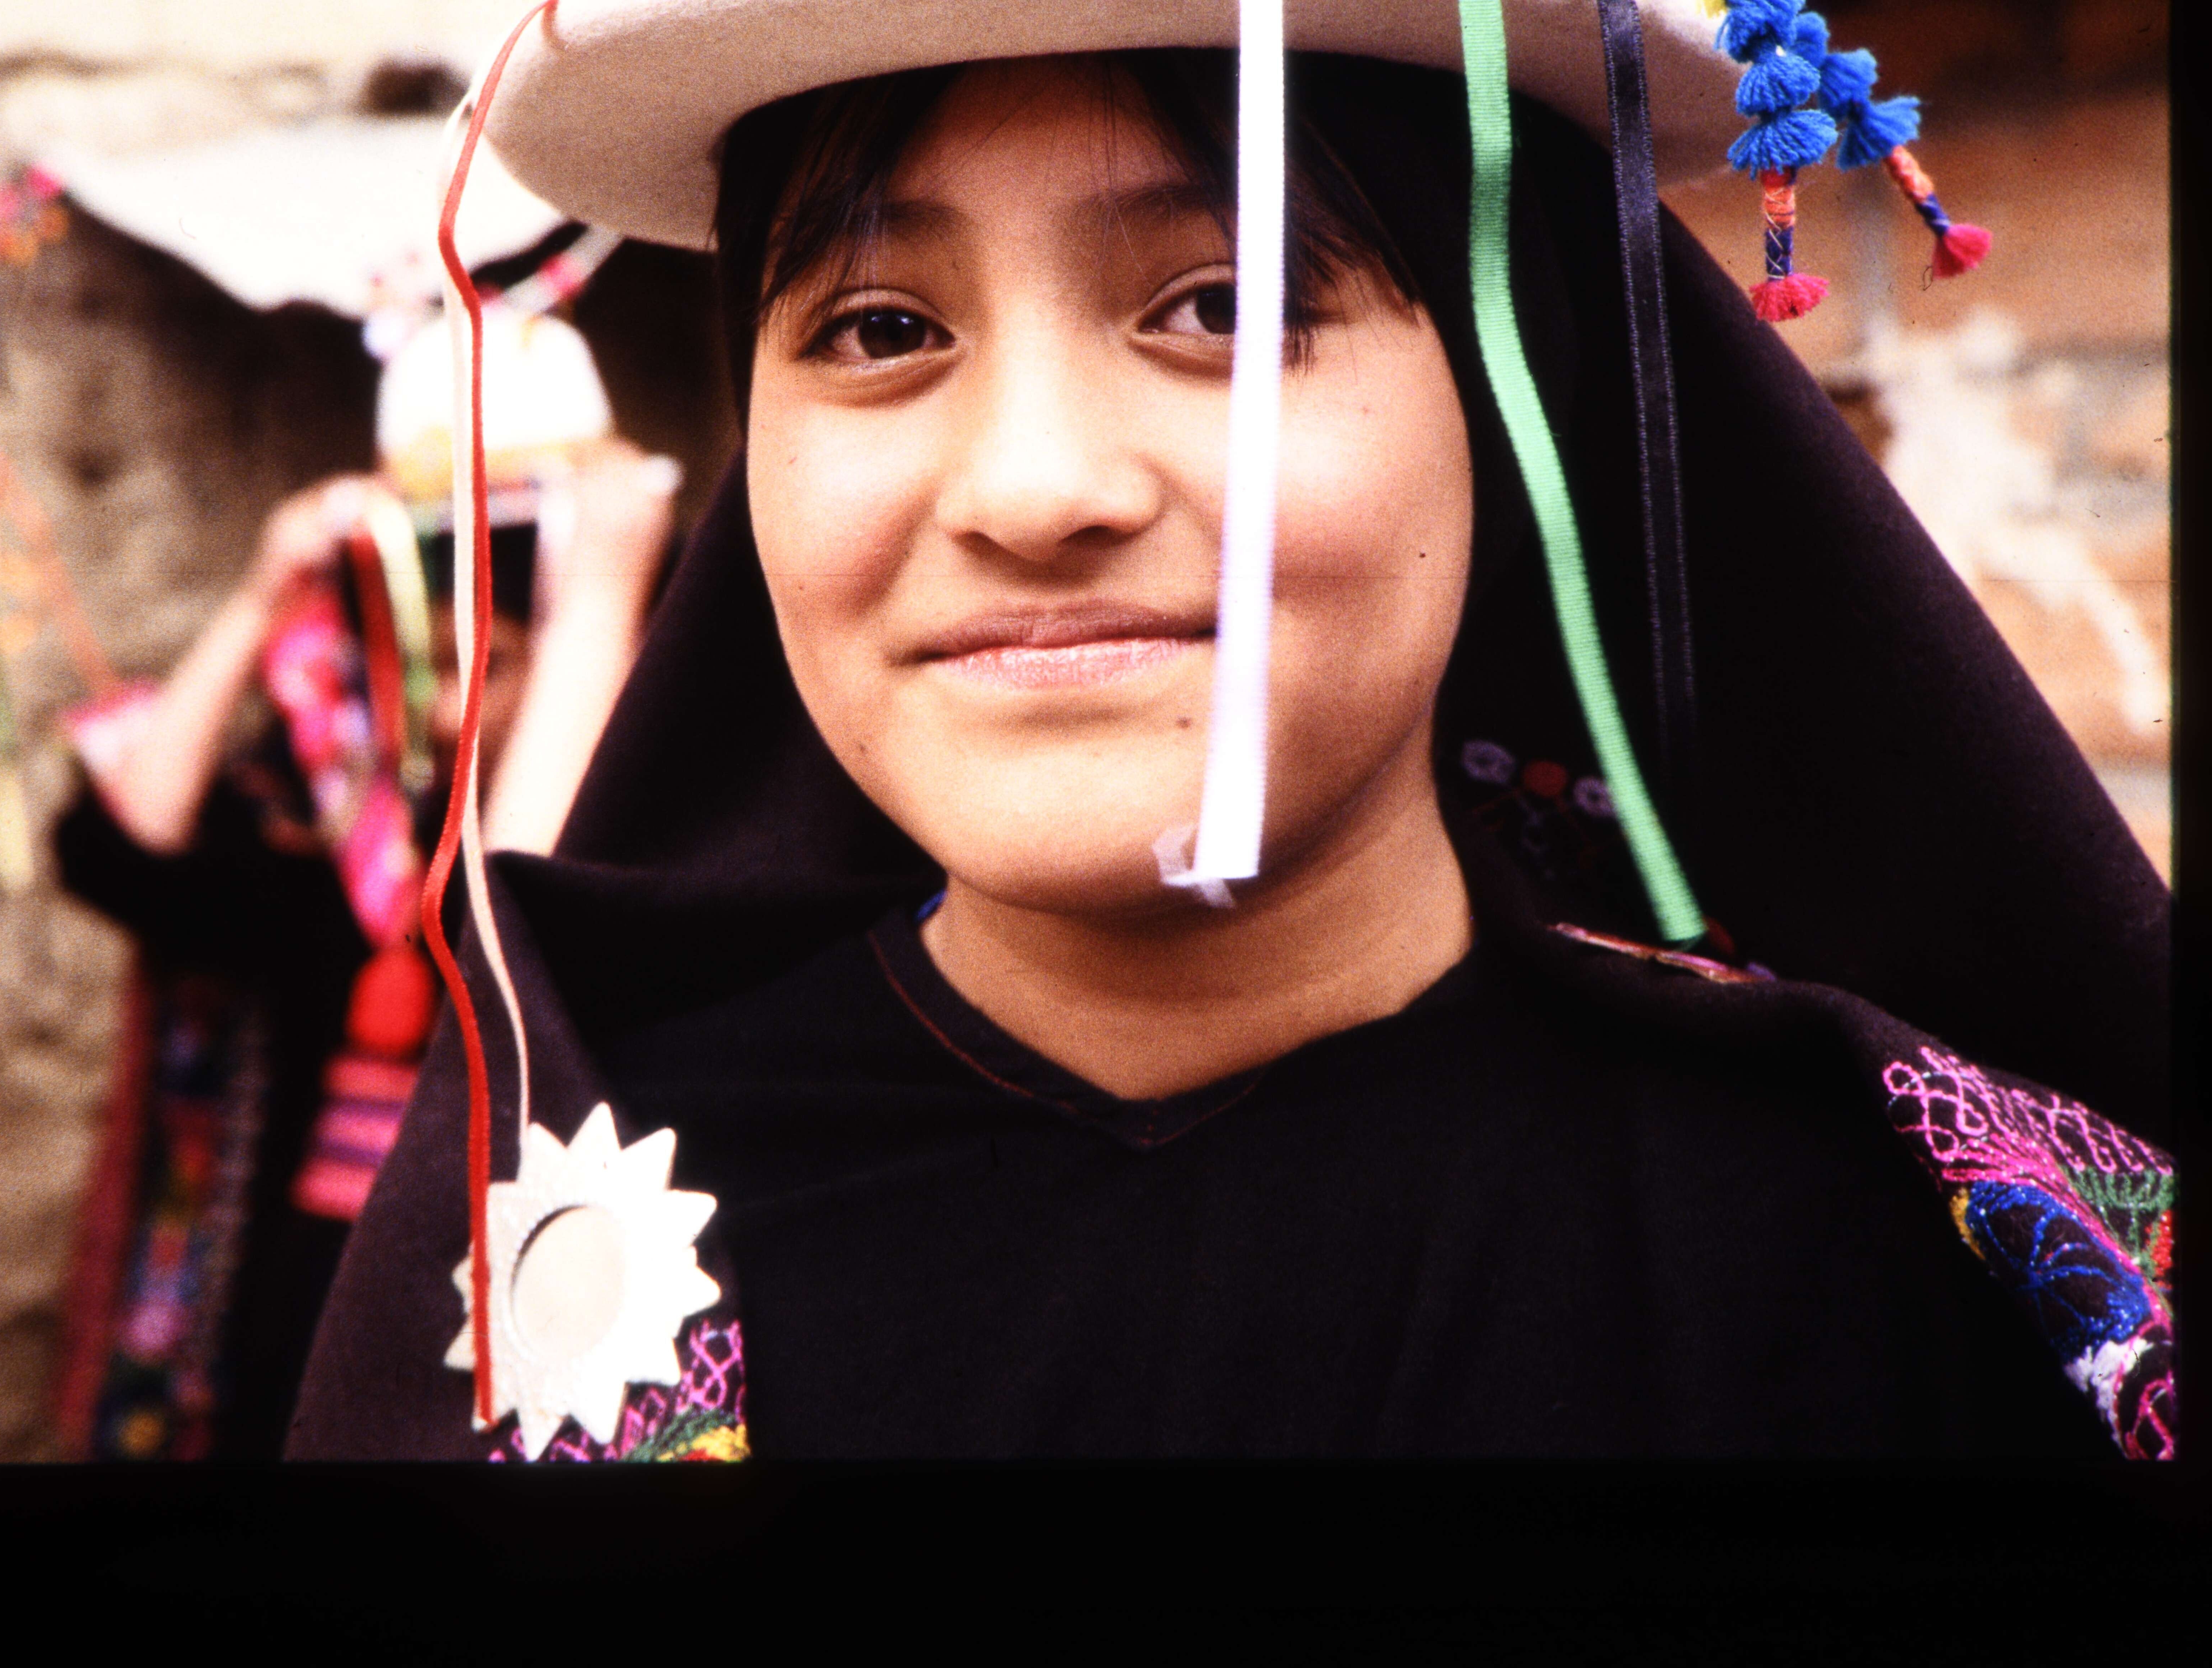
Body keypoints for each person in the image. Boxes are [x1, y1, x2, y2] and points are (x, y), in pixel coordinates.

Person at [291, 0, 2173, 1460]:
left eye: (1221, 303)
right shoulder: (545, 1235)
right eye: (876, 329)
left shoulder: (1879, 1263)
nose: (1035, 489)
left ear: (1511, 404)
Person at [48, 305, 679, 1460]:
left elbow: (509, 926)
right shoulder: (342, 820)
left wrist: (596, 612)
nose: (445, 707)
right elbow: (126, 849)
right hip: (305, 1290)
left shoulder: (652, 809)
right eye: (421, 655)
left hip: (528, 1302)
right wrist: (261, 597)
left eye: (501, 655)